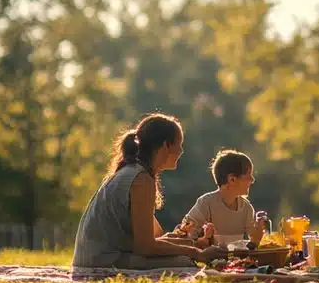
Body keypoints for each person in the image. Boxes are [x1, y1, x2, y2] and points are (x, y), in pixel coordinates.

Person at [71, 113, 225, 269]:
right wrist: (196, 253)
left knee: (184, 255)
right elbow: (145, 247)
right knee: (184, 262)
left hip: (100, 257)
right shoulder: (141, 179)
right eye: (179, 144)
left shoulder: (134, 171)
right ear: (166, 145)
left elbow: (154, 238)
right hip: (101, 262)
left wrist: (193, 244)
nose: (181, 151)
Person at [182, 149, 269, 247]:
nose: (252, 180)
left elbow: (253, 243)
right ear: (232, 179)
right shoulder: (206, 203)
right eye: (248, 174)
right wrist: (202, 240)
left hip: (235, 261)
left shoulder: (246, 208)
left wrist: (257, 236)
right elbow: (186, 234)